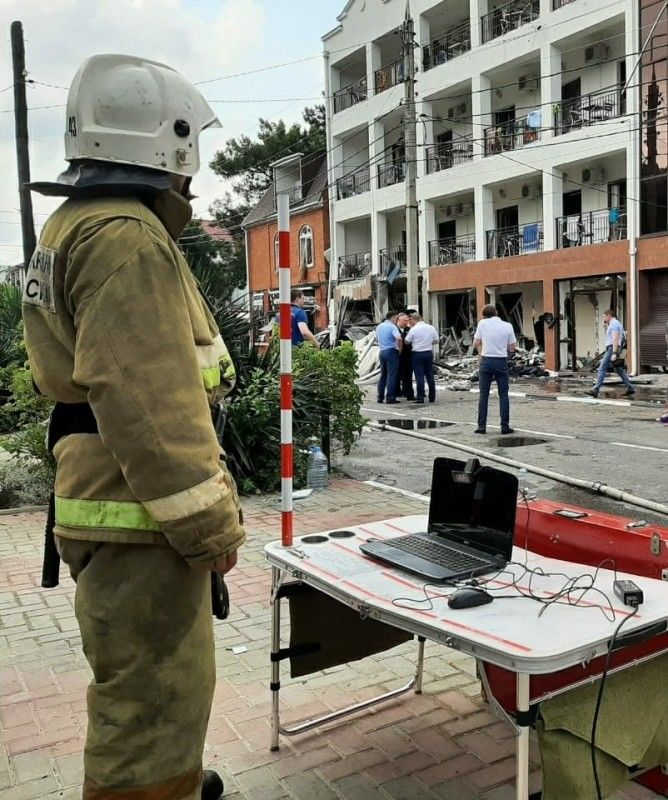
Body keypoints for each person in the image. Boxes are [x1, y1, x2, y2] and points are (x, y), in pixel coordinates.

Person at [21, 55, 246, 800]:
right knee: (150, 700)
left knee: (149, 687)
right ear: (167, 144)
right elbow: (150, 405)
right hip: (139, 513)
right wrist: (210, 529)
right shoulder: (127, 238)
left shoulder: (71, 225)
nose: (195, 171)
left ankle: (174, 785)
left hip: (109, 503)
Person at [473, 305, 517, 434]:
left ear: (483, 314)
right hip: (501, 361)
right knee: (503, 394)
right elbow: (512, 347)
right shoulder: (507, 326)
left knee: (483, 394)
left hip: (486, 361)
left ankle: (481, 426)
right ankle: (504, 426)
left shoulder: (482, 324)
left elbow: (476, 342)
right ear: (496, 313)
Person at [586, 310, 635, 398]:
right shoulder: (614, 324)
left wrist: (614, 353)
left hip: (612, 348)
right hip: (612, 347)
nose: (603, 318)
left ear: (609, 316)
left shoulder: (614, 324)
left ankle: (595, 389)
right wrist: (605, 326)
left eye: (604, 316)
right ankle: (630, 387)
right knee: (618, 369)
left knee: (602, 368)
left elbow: (615, 339)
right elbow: (610, 337)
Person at [405, 313, 439, 404]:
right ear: (421, 318)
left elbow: (407, 341)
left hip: (417, 354)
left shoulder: (413, 329)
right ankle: (432, 397)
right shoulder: (431, 327)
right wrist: (427, 343)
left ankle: (420, 397)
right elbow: (436, 340)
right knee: (429, 374)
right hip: (428, 353)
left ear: (412, 320)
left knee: (419, 376)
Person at [376, 311, 402, 403]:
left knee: (383, 375)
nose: (397, 320)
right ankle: (390, 397)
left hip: (382, 351)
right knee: (391, 375)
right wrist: (399, 349)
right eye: (397, 318)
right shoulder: (392, 327)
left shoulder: (379, 326)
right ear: (393, 317)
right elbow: (398, 338)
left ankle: (380, 396)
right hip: (391, 351)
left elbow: (377, 338)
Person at [394, 312, 415, 401]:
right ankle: (397, 391)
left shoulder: (408, 329)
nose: (406, 322)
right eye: (404, 321)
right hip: (397, 355)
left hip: (407, 355)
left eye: (407, 320)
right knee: (397, 374)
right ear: (398, 320)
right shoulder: (394, 329)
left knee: (408, 375)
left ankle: (408, 393)